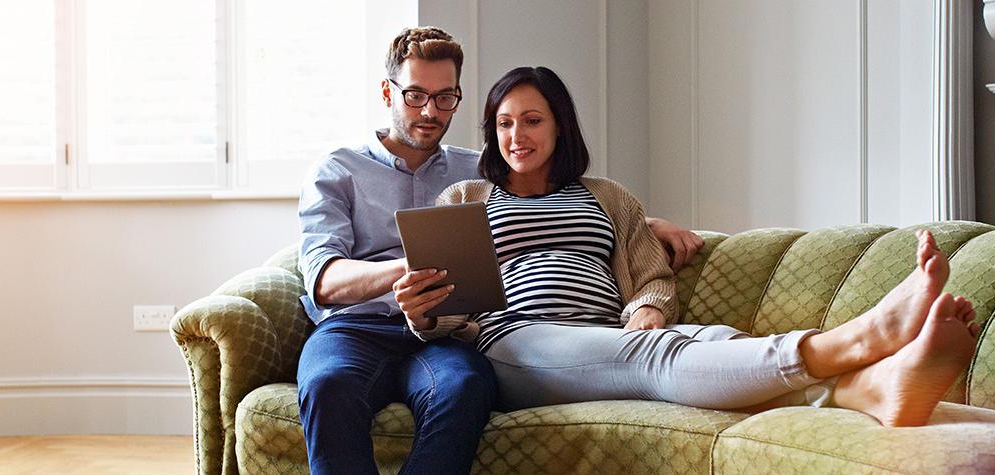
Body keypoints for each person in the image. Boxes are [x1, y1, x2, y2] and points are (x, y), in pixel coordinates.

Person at [394, 66, 981, 428]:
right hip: (516, 342)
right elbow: (450, 303)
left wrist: (647, 310)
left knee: (712, 339)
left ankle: (872, 389)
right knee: (653, 359)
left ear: (559, 127)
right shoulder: (466, 197)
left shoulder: (607, 197)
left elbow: (650, 276)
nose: (516, 136)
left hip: (607, 332)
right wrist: (425, 315)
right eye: (503, 123)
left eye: (532, 121)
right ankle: (859, 339)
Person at [296, 29, 703, 474]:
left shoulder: (480, 169)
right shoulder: (339, 169)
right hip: (358, 328)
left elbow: (551, 211)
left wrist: (647, 224)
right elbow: (324, 278)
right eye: (414, 95)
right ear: (386, 91)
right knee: (327, 384)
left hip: (445, 334)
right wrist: (417, 263)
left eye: (444, 97)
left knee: (465, 387)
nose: (430, 111)